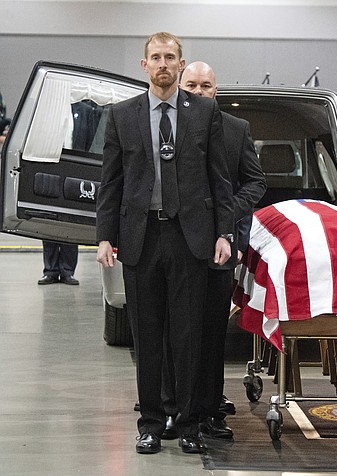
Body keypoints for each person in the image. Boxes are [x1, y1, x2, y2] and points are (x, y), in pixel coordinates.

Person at [96, 32, 235, 455]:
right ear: (144, 65)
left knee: (187, 337)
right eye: (155, 57)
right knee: (148, 337)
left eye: (170, 57)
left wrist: (224, 232)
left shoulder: (205, 113)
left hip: (189, 238)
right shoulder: (123, 115)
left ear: (180, 63)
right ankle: (152, 424)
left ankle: (190, 424)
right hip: (141, 237)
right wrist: (104, 235)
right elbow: (112, 181)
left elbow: (220, 179)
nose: (162, 64)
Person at [178, 61, 266, 440]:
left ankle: (211, 409)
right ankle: (174, 408)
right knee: (176, 333)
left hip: (220, 248)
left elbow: (255, 182)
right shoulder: (164, 129)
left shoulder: (236, 130)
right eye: (192, 85)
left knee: (212, 334)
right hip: (175, 248)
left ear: (217, 90)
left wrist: (226, 215)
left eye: (206, 86)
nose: (199, 92)